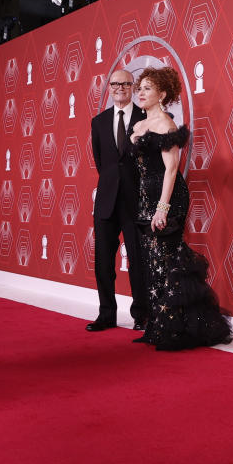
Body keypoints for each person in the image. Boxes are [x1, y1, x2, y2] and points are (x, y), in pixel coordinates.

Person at [128, 67, 232, 350]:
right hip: (145, 197)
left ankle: (177, 329)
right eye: (140, 87)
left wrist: (162, 208)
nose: (141, 92)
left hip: (168, 197)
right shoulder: (138, 126)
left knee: (166, 259)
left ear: (162, 94)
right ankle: (156, 326)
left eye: (148, 88)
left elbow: (172, 169)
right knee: (151, 263)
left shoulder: (166, 125)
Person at [86, 68, 149, 331]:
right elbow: (102, 162)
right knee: (103, 262)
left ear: (132, 87)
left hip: (136, 201)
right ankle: (106, 314)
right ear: (109, 88)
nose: (119, 88)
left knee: (138, 261)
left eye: (125, 83)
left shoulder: (146, 118)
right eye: (114, 84)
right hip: (106, 201)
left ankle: (141, 315)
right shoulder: (98, 122)